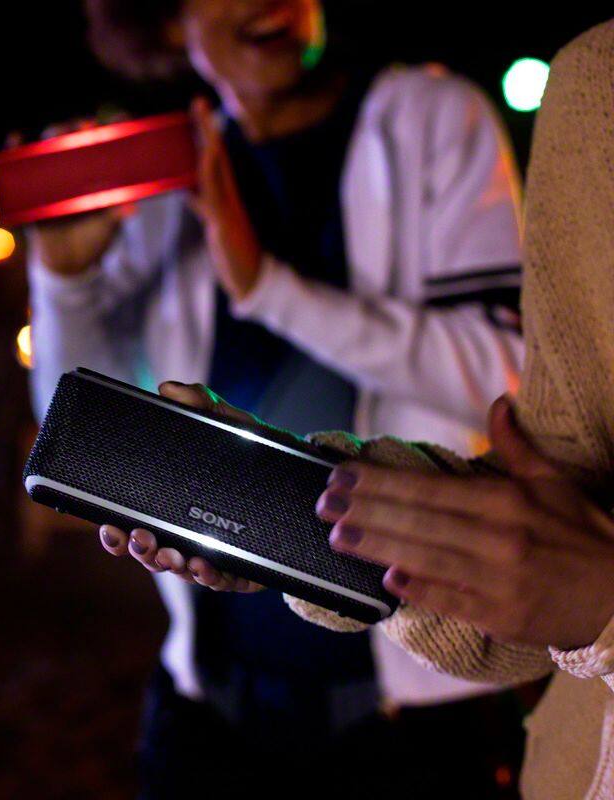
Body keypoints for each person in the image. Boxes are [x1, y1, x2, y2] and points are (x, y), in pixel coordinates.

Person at [101, 17, 614, 800]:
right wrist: (61, 281)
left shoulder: (433, 115)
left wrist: (270, 290)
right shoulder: (167, 178)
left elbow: (510, 379)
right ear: (168, 18)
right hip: (213, 698)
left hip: (416, 711)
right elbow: (89, 410)